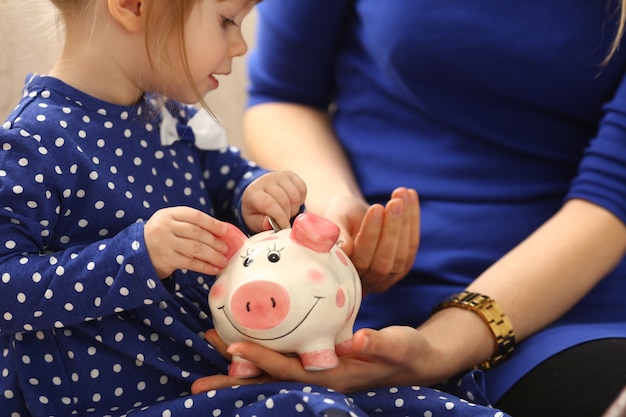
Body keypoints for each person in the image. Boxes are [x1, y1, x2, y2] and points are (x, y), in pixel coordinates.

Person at [0, 0, 512, 416]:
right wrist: (136, 257)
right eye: (226, 20)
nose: (240, 45)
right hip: (121, 396)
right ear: (133, 6)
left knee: (426, 403)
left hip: (209, 371)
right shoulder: (31, 144)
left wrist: (256, 192)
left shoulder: (168, 116)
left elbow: (230, 180)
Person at [191, 1, 626, 416]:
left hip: (575, 311)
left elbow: (612, 193)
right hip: (357, 313)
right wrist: (333, 208)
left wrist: (440, 347)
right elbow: (282, 95)